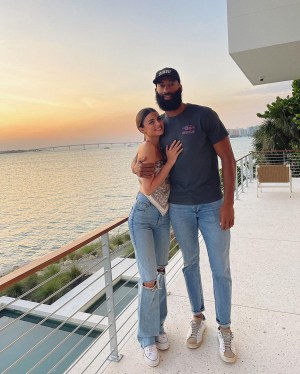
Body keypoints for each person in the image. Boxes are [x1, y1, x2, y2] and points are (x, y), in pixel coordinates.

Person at [133, 68, 237, 363]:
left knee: (220, 269)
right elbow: (144, 152)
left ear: (179, 86)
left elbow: (228, 159)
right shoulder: (160, 125)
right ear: (156, 90)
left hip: (211, 205)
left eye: (170, 83)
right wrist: (133, 167)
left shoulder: (204, 115)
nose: (166, 89)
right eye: (160, 85)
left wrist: (228, 203)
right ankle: (197, 318)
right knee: (190, 265)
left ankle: (225, 328)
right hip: (178, 208)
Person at [128, 108, 183, 367]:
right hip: (144, 217)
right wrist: (170, 163)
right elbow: (148, 187)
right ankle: (146, 338)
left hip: (163, 216)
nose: (158, 123)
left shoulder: (159, 146)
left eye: (158, 119)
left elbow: (137, 166)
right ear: (142, 129)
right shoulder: (149, 149)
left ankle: (158, 326)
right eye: (151, 122)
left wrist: (133, 166)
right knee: (149, 280)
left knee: (160, 273)